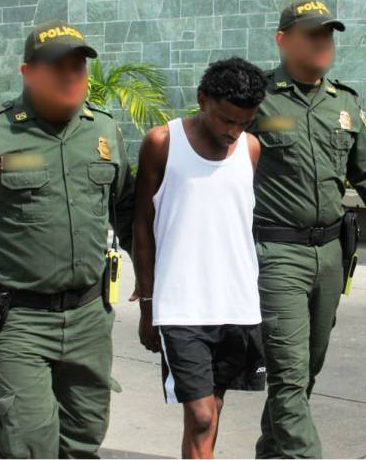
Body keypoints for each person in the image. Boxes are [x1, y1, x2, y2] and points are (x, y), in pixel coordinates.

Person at [0, 19, 135, 458]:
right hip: (17, 321)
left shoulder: (104, 131)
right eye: (57, 67)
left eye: (78, 66)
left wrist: (151, 283)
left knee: (85, 437)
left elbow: (128, 210)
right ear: (27, 72)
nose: (70, 76)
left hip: (89, 318)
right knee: (29, 443)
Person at [251, 0, 366, 458]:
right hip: (277, 254)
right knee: (288, 376)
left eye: (328, 33)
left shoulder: (343, 103)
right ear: (283, 40)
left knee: (306, 371)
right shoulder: (257, 99)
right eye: (312, 33)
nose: (323, 42)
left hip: (331, 256)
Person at [132, 58, 267, 459]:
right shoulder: (162, 143)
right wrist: (147, 304)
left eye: (243, 122)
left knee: (214, 409)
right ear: (202, 99)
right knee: (202, 413)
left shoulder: (251, 149)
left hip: (236, 304)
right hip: (181, 306)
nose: (233, 131)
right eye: (226, 119)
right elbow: (142, 226)